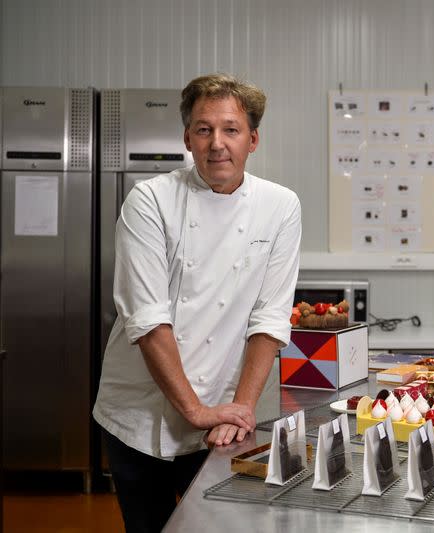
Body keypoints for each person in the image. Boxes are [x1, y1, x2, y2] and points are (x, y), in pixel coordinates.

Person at [93, 73, 301, 533]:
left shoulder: (281, 206)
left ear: (253, 140)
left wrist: (241, 409)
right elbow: (148, 320)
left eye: (231, 129)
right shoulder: (149, 200)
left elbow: (269, 318)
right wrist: (195, 410)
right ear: (187, 138)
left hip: (223, 422)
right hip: (140, 416)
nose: (217, 144)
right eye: (204, 129)